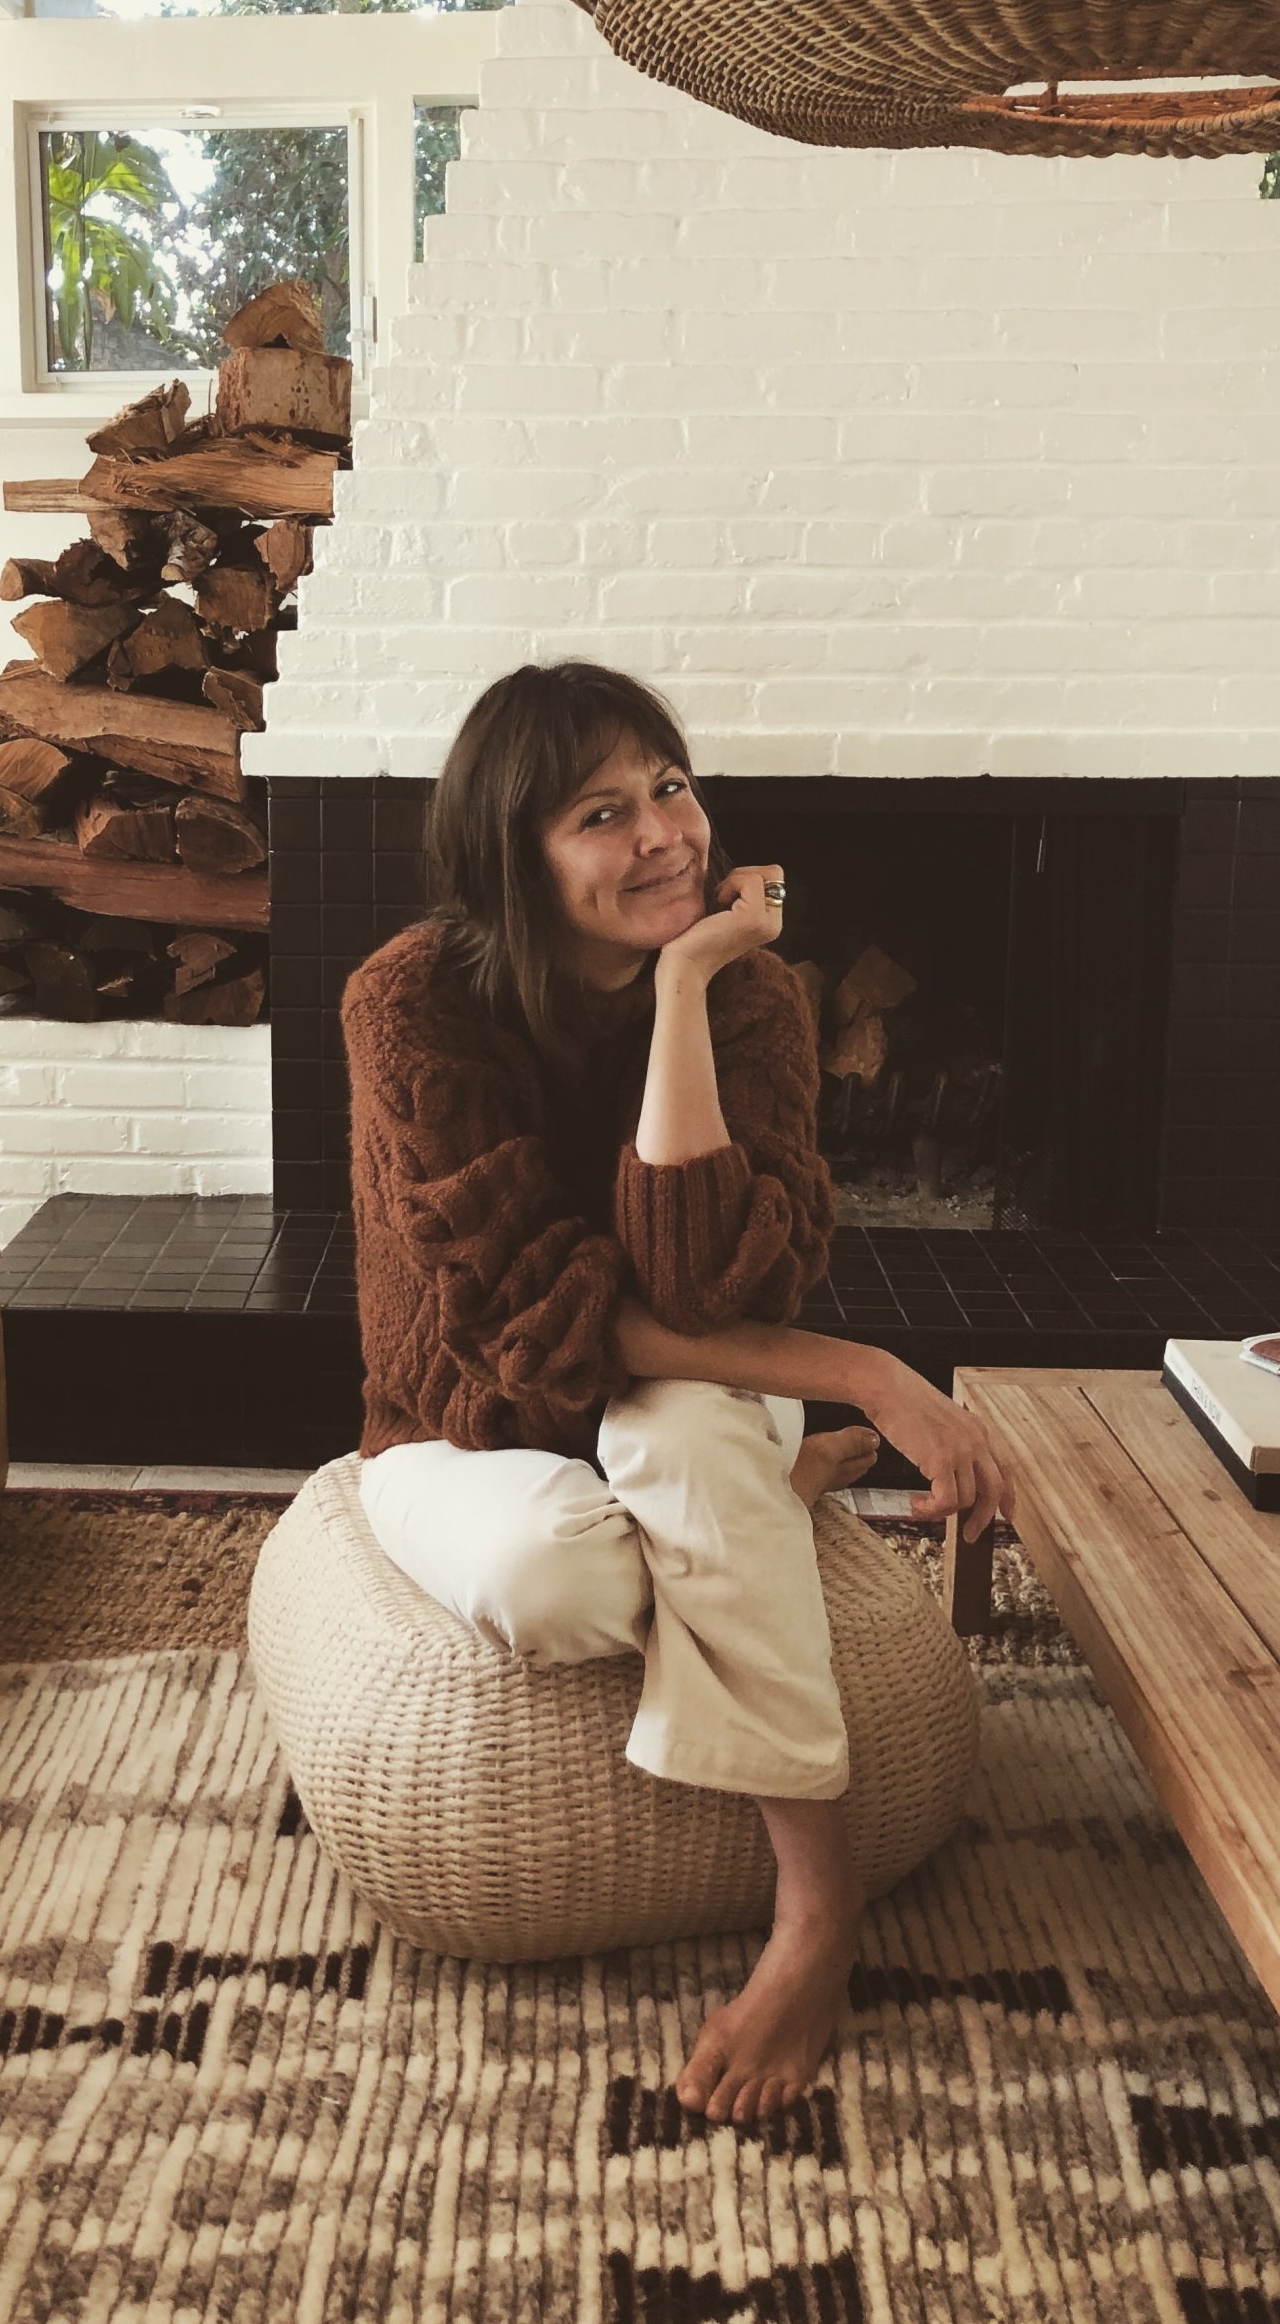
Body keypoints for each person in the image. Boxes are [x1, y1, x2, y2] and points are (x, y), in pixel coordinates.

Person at [340, 661, 1014, 2128]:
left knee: (698, 1436)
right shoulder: (410, 1006)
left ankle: (816, 1913)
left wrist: (688, 995)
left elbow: (709, 1287)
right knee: (556, 1580)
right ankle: (791, 1483)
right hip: (470, 1423)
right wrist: (868, 1375)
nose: (664, 835)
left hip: (690, 1400)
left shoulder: (752, 995)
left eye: (671, 788)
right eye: (601, 813)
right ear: (513, 856)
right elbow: (542, 1321)